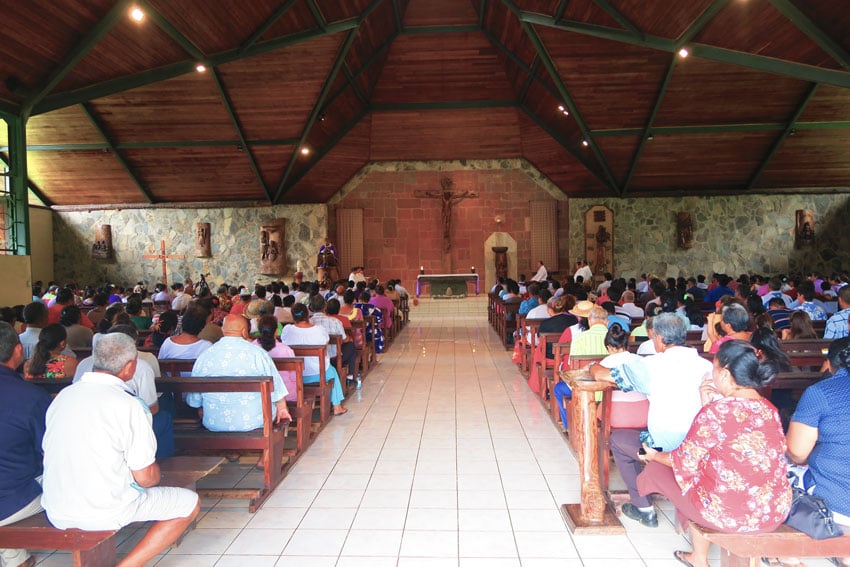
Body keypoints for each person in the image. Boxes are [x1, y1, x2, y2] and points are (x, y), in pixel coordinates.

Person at [41, 333, 200, 566]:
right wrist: (156, 475)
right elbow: (145, 478)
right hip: (105, 509)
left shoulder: (63, 396)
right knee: (189, 503)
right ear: (130, 367)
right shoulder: (129, 404)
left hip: (57, 507)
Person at [636, 341, 791, 567]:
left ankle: (699, 556)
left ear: (726, 375)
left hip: (730, 514)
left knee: (660, 470)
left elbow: (683, 461)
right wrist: (706, 404)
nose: (712, 374)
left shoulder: (717, 412)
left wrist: (652, 455)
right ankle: (698, 556)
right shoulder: (769, 409)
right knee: (702, 473)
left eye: (714, 369)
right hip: (773, 511)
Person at [589, 313, 712, 528]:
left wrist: (592, 366)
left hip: (666, 447)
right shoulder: (707, 366)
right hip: (701, 448)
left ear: (658, 338)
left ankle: (643, 507)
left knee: (618, 440)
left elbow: (605, 375)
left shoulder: (652, 366)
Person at [787, 337, 850, 566]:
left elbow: (796, 453)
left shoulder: (821, 392)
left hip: (838, 503)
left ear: (829, 364)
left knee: (780, 472)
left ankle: (788, 555)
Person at [0, 322, 51, 567]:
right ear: (18, 351)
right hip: (12, 500)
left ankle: (16, 558)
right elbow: (51, 451)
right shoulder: (30, 396)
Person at [187, 315, 291, 431]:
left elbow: (195, 400)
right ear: (244, 332)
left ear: (223, 330)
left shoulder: (205, 355)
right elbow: (276, 388)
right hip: (256, 422)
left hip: (214, 423)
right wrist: (282, 408)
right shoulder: (258, 354)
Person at [281, 304, 348, 415]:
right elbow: (325, 345)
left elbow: (284, 344)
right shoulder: (318, 330)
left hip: (295, 374)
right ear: (308, 314)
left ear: (293, 317)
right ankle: (337, 407)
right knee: (333, 372)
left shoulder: (287, 330)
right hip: (318, 372)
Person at [253, 315, 299, 408]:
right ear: (276, 331)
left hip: (260, 394)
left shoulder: (252, 348)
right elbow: (295, 376)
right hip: (286, 394)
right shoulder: (285, 350)